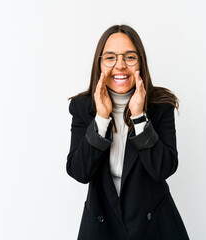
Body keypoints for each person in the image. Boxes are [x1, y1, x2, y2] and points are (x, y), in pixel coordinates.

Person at [67, 24, 190, 240]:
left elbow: (164, 168)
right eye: (110, 57)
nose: (120, 66)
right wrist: (102, 119)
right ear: (100, 63)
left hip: (155, 229)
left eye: (129, 57)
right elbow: (79, 172)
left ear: (140, 62)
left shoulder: (161, 105)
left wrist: (139, 117)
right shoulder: (82, 107)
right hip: (102, 227)